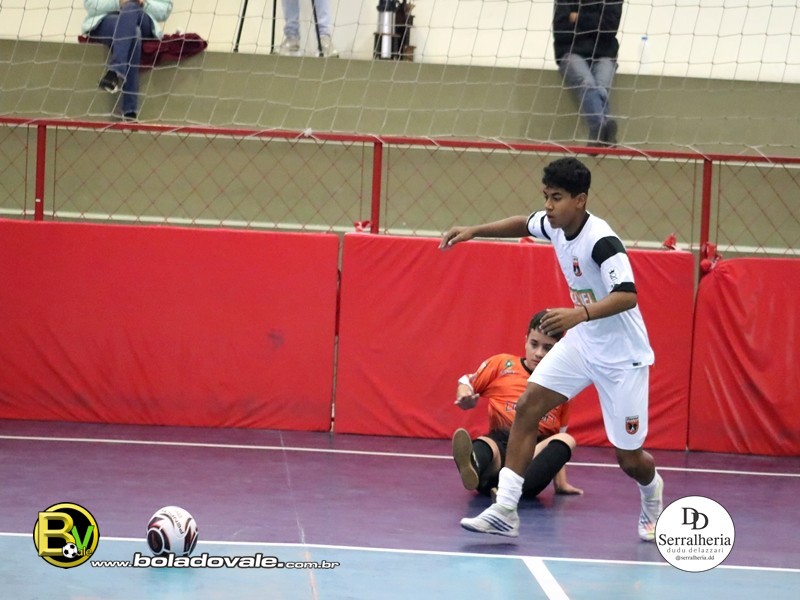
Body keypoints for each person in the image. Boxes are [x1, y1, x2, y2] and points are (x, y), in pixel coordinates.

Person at [440, 156, 663, 541]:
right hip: (583, 344)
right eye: (545, 196)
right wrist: (474, 230)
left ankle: (652, 492)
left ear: (580, 200)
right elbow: (521, 223)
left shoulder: (602, 241)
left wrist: (579, 314)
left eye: (556, 198)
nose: (548, 206)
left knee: (629, 459)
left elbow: (627, 295)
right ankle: (505, 510)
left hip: (621, 359)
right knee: (528, 406)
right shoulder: (555, 224)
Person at [452, 311, 583, 499]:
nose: (538, 353)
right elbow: (466, 383)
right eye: (534, 344)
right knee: (487, 444)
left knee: (567, 440)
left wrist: (561, 483)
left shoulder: (561, 386)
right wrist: (465, 396)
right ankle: (473, 466)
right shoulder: (502, 364)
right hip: (498, 453)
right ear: (526, 340)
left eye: (547, 348)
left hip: (530, 460)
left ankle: (508, 493)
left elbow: (558, 438)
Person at [82, 0, 174, 121]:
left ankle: (114, 72)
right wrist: (119, 2)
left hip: (141, 16)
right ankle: (130, 112)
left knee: (131, 6)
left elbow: (165, 10)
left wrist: (143, 3)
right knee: (134, 32)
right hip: (107, 20)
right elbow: (90, 4)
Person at [553, 0, 622, 146]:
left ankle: (597, 135)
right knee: (587, 83)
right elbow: (560, 29)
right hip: (572, 51)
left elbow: (609, 27)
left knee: (601, 87)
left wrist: (577, 17)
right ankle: (603, 130)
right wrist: (596, 22)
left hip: (604, 54)